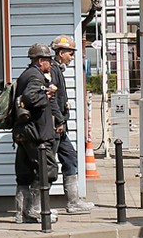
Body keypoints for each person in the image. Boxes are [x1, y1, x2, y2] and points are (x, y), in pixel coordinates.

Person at [13, 43, 59, 223]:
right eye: (48, 60)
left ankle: (21, 214)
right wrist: (48, 94)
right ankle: (37, 210)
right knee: (48, 169)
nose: (51, 63)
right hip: (36, 133)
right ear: (40, 61)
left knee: (25, 173)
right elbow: (30, 97)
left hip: (24, 132)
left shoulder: (26, 74)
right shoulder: (35, 76)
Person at [49, 35, 95, 213]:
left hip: (60, 127)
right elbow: (51, 99)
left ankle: (73, 202)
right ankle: (39, 206)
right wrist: (59, 120)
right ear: (60, 53)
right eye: (70, 53)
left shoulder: (57, 70)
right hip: (55, 127)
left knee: (70, 158)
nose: (72, 57)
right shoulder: (53, 71)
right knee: (48, 165)